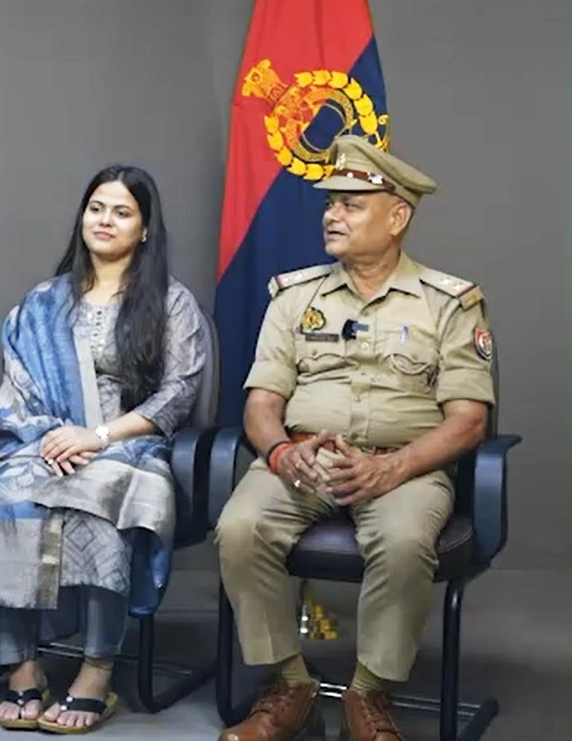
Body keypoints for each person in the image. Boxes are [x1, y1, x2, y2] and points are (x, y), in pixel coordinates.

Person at [0, 165, 209, 733]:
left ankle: (96, 670)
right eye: (97, 208)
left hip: (132, 446)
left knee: (97, 496)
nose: (105, 220)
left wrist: (98, 437)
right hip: (45, 443)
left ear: (145, 228)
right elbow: (16, 395)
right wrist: (51, 438)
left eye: (122, 212)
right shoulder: (43, 303)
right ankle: (23, 667)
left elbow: (178, 394)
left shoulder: (171, 302)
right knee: (3, 494)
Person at [213, 135, 495, 741]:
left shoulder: (449, 303)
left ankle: (368, 695)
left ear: (397, 218)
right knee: (240, 527)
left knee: (402, 541)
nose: (332, 215)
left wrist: (393, 468)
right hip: (304, 461)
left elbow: (470, 419)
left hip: (404, 468)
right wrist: (281, 452)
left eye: (351, 204)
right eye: (330, 203)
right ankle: (290, 687)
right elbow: (261, 403)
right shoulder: (294, 298)